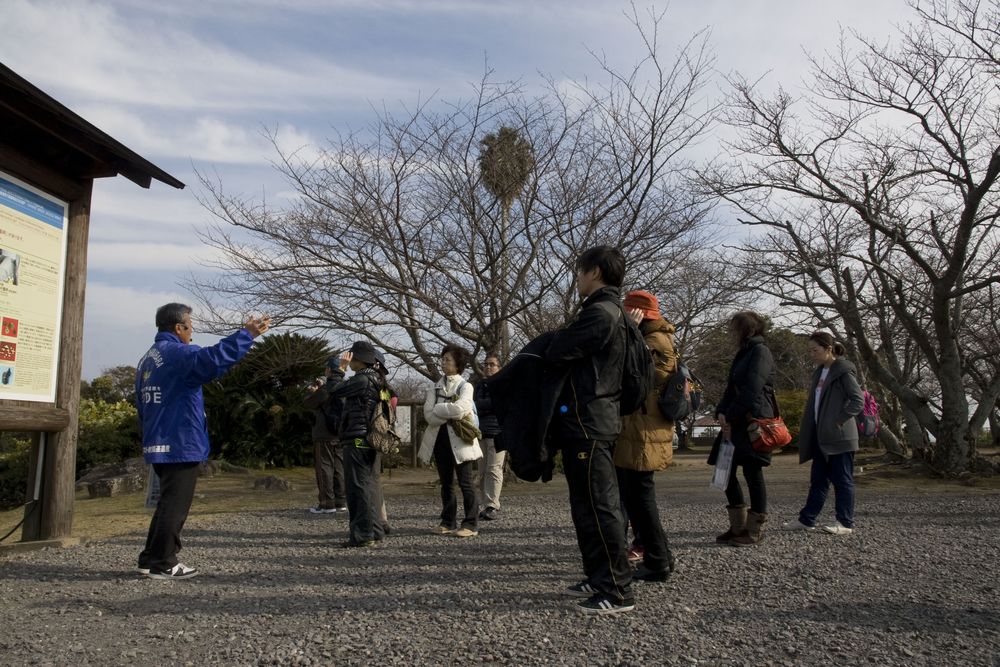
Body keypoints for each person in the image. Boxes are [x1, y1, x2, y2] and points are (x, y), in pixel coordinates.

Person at [135, 303, 270, 579]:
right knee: (175, 504)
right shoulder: (178, 354)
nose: (192, 333)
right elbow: (213, 360)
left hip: (158, 438)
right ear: (178, 328)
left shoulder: (148, 358)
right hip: (180, 439)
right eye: (190, 326)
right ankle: (164, 563)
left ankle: (151, 558)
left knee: (167, 502)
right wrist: (247, 335)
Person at [546, 245, 633, 614]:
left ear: (595, 272)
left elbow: (556, 351)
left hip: (589, 422)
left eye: (580, 271)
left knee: (599, 506)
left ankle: (616, 589)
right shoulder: (616, 312)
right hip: (591, 419)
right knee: (587, 505)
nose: (577, 277)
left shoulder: (601, 314)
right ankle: (598, 577)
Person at [613, 290, 677, 581]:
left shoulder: (654, 341)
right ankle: (660, 556)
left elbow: (637, 374)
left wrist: (630, 331)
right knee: (636, 495)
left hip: (643, 430)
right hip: (640, 429)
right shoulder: (654, 338)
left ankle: (658, 561)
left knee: (640, 497)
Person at [782, 332, 865, 535]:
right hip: (821, 436)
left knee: (842, 479)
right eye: (809, 350)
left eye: (815, 350)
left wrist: (838, 420)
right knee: (818, 479)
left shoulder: (843, 371)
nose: (812, 354)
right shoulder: (819, 372)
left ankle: (845, 522)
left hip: (840, 437)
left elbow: (857, 400)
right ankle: (806, 519)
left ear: (829, 349)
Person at [708, 310, 776, 547]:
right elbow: (731, 388)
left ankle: (754, 530)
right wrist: (721, 411)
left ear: (747, 329)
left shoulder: (760, 351)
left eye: (735, 328)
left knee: (753, 472)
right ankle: (738, 526)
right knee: (724, 470)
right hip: (736, 421)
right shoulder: (743, 353)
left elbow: (753, 389)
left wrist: (732, 414)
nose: (731, 333)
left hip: (753, 422)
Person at [324, 341, 390, 548]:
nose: (349, 360)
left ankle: (363, 535)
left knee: (357, 490)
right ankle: (375, 531)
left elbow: (334, 389)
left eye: (351, 356)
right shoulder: (376, 379)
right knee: (367, 488)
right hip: (368, 440)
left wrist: (339, 369)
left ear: (359, 358)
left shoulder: (363, 379)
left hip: (358, 439)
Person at [417, 343, 483, 538]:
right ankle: (448, 521)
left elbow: (462, 408)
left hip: (462, 440)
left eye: (448, 359)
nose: (444, 362)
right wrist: (449, 411)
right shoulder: (434, 386)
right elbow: (429, 415)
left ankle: (471, 524)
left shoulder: (466, 385)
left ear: (458, 364)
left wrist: (440, 409)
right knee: (446, 482)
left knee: (466, 482)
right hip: (440, 440)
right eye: (443, 359)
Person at [303, 358, 347, 514]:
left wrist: (313, 392)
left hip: (324, 434)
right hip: (341, 433)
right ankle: (341, 501)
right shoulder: (345, 386)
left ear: (329, 370)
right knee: (339, 468)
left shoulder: (327, 388)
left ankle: (327, 504)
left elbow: (308, 403)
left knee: (324, 468)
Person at [474, 355, 506, 521]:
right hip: (480, 432)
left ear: (499, 367)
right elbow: (476, 405)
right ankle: (484, 504)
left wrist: (485, 405)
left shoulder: (504, 384)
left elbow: (498, 405)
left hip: (497, 432)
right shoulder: (480, 385)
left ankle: (492, 504)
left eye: (492, 364)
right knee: (482, 470)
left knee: (494, 468)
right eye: (486, 364)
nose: (488, 367)